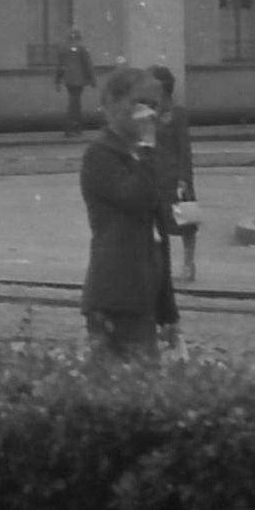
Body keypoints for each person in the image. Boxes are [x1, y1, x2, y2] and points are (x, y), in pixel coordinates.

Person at [78, 65, 176, 362]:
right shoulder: (101, 154)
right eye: (139, 103)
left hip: (144, 297)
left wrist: (168, 311)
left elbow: (157, 237)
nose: (148, 114)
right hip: (115, 294)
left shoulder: (143, 156)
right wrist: (147, 146)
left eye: (154, 106)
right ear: (112, 104)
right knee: (124, 383)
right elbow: (138, 198)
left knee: (145, 384)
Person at [150, 64, 200, 287]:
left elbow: (184, 148)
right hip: (155, 177)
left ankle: (189, 265)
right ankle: (162, 268)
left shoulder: (178, 114)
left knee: (186, 221)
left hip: (176, 179)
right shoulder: (148, 115)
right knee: (159, 224)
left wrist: (183, 178)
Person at [52, 27, 97, 137]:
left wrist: (57, 81)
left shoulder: (63, 49)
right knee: (75, 104)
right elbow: (88, 65)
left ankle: (71, 128)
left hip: (68, 80)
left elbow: (59, 66)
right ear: (79, 37)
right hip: (79, 80)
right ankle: (74, 128)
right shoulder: (82, 49)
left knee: (73, 103)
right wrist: (92, 80)